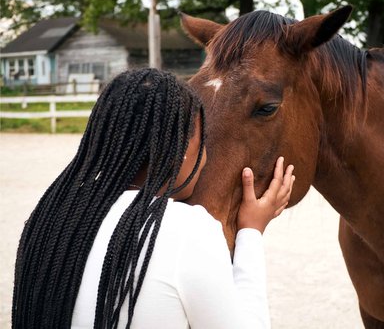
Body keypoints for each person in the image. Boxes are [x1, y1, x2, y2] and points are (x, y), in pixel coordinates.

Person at [12, 68, 295, 329]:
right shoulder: (186, 229)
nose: (205, 156)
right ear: (180, 150)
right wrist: (251, 232)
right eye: (203, 141)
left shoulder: (48, 218)